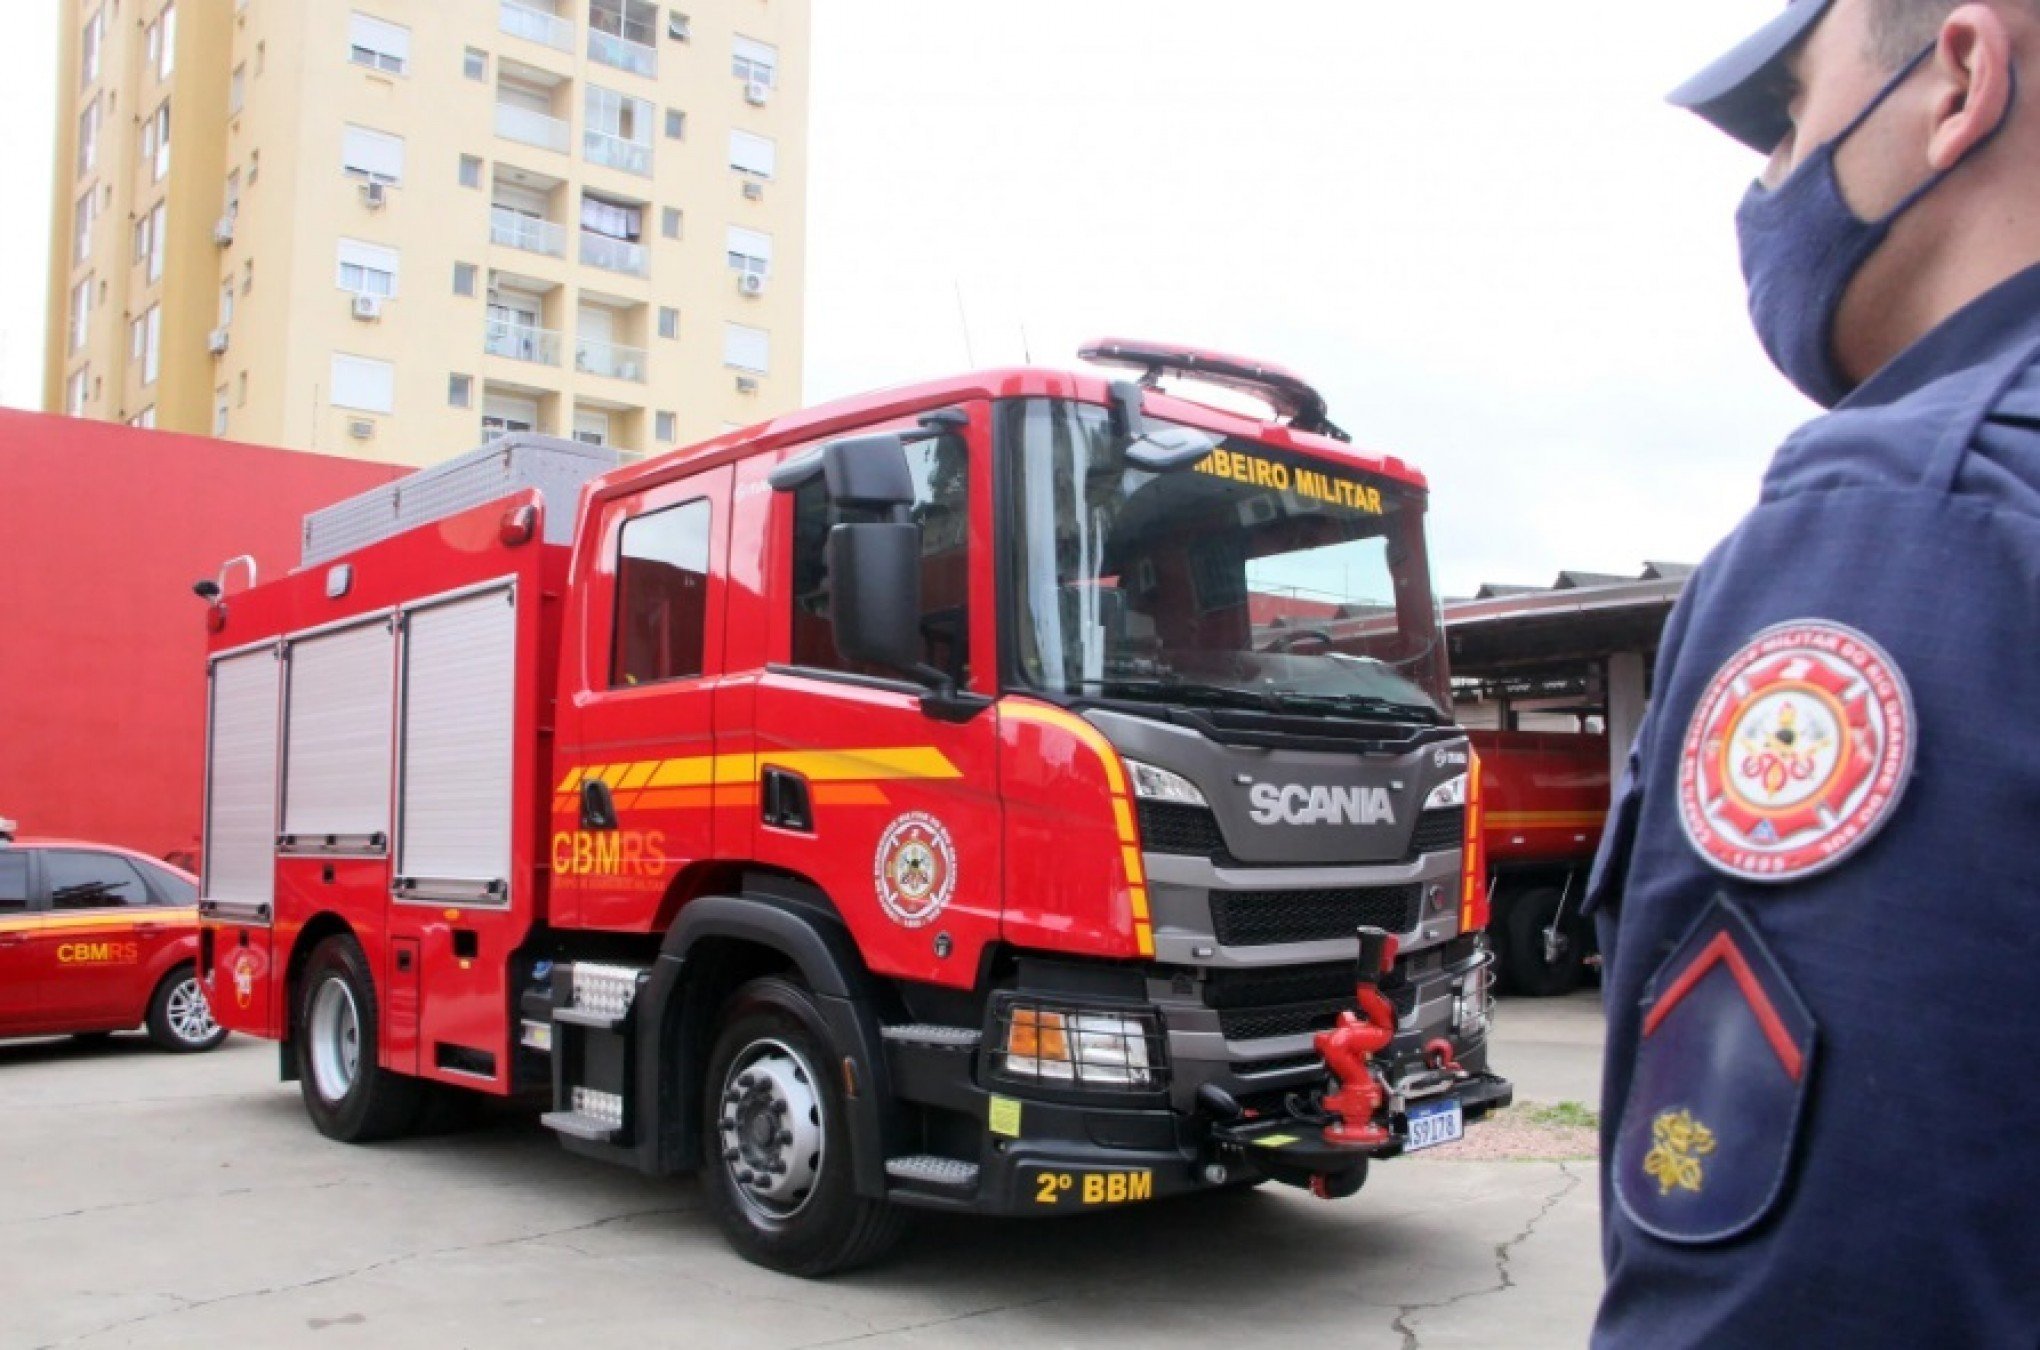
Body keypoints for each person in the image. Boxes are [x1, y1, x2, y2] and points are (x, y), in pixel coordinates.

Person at [1587, 0, 2040, 1344]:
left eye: (1786, 115)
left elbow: (1807, 1299)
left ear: (1958, 79)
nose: (1767, 185)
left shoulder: (1908, 519)